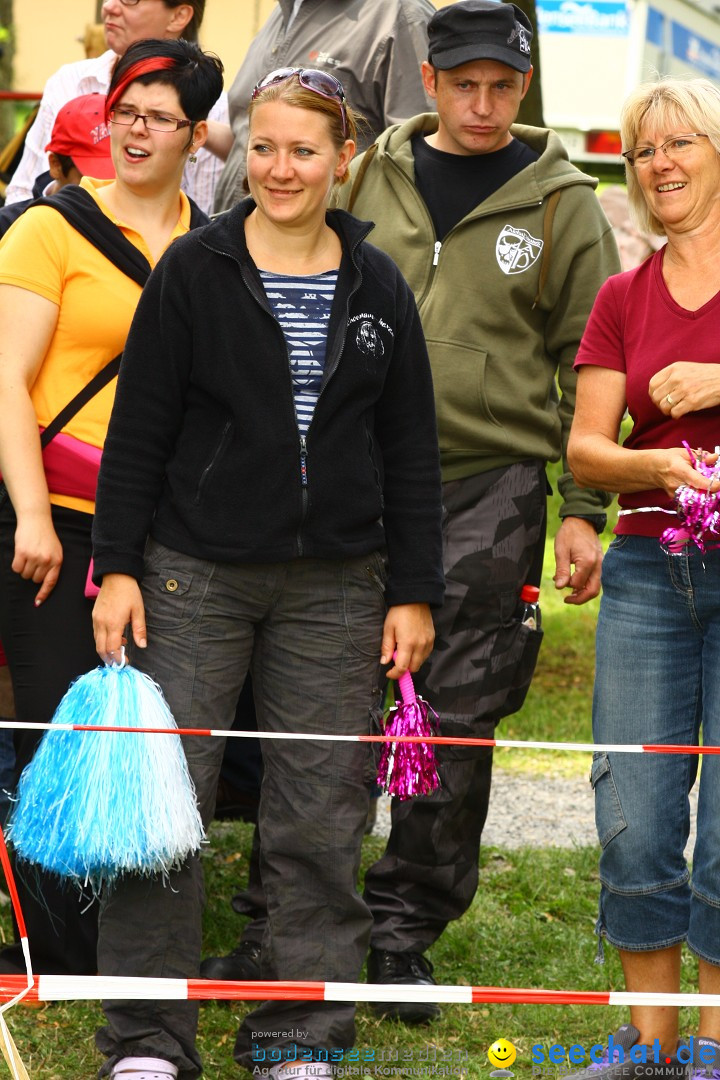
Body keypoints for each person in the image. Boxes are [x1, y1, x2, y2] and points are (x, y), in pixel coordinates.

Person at [90, 66, 443, 1080]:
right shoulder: (193, 271)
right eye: (264, 147)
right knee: (167, 807)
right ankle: (148, 1038)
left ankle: (296, 1033)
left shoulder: (377, 284)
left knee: (321, 809)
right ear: (242, 151)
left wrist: (413, 588)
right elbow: (140, 438)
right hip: (192, 576)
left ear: (346, 160)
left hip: (339, 584)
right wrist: (118, 570)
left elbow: (410, 448)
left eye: (303, 150)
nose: (280, 168)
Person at [331, 0, 619, 1021]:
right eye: (466, 84)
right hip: (354, 475)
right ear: (428, 80)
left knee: (453, 717)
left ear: (525, 85)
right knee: (326, 695)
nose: (485, 102)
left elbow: (595, 360)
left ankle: (404, 932)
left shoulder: (564, 202)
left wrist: (582, 505)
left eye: (504, 84)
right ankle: (308, 912)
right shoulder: (366, 171)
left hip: (490, 485)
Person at [0, 37, 223, 979]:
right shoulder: (49, 228)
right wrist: (33, 519)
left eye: (160, 118)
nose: (137, 131)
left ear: (196, 136)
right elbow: (7, 381)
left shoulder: (218, 245)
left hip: (169, 536)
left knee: (149, 741)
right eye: (127, 110)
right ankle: (54, 951)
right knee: (60, 732)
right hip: (52, 523)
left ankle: (131, 946)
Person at [566, 76, 720, 1080]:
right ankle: (648, 1044)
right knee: (635, 812)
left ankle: (714, 1045)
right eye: (643, 149)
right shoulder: (624, 295)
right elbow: (585, 451)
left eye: (682, 143)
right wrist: (656, 464)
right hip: (646, 572)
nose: (661, 162)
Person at [4, 0, 229, 216]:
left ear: (179, 16)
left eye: (161, 118)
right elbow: (22, 194)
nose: (109, 6)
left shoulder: (214, 108)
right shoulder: (69, 82)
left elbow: (205, 219)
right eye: (124, 111)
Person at [211, 0, 436, 213]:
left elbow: (418, 161)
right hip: (240, 239)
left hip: (336, 244)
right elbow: (243, 139)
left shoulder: (400, 15)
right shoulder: (284, 12)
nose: (280, 171)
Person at [0, 92, 115, 238]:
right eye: (92, 178)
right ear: (55, 165)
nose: (106, 187)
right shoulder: (8, 227)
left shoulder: (139, 226)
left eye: (116, 177)